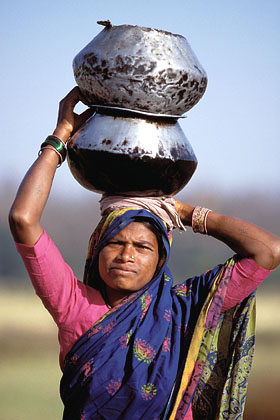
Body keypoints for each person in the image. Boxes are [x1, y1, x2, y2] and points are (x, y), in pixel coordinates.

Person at [9, 87, 280, 420]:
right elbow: (23, 219)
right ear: (96, 249)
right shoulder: (74, 305)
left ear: (160, 259)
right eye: (116, 243)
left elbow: (268, 252)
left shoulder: (186, 307)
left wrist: (185, 213)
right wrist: (60, 136)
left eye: (142, 247)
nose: (127, 255)